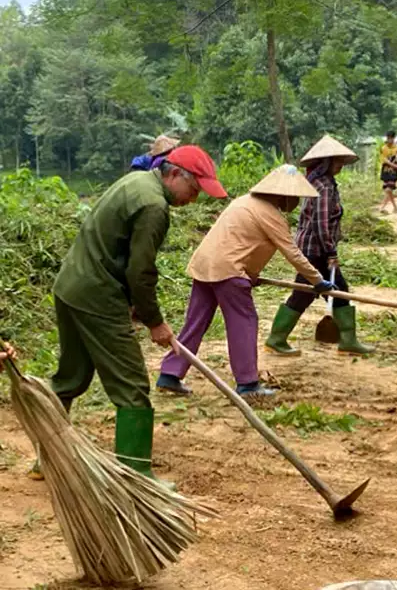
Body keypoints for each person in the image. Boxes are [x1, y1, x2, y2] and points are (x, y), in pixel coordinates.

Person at [37, 145, 227, 484]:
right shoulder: (154, 206)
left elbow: (120, 255)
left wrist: (137, 307)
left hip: (71, 286)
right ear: (173, 175)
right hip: (97, 295)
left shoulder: (135, 182)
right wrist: (155, 321)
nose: (193, 200)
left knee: (71, 377)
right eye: (194, 189)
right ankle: (135, 475)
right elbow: (141, 271)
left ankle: (46, 459)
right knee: (132, 386)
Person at [157, 165, 335, 398]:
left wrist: (250, 275)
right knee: (244, 322)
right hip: (228, 272)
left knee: (195, 323)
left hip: (205, 267)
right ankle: (248, 383)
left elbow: (238, 241)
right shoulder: (270, 214)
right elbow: (292, 253)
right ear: (283, 195)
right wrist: (318, 281)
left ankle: (170, 373)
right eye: (294, 197)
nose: (296, 202)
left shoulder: (243, 202)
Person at [265, 135, 375, 356]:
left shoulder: (319, 183)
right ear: (325, 163)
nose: (340, 166)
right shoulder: (323, 186)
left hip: (312, 250)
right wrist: (330, 252)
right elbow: (320, 223)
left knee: (315, 292)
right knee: (334, 291)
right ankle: (345, 341)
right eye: (337, 162)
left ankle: (279, 339)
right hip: (316, 251)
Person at [378, 130, 397, 214]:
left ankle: (382, 207)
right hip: (385, 171)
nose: (390, 140)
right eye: (388, 138)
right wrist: (395, 165)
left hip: (393, 173)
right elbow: (384, 160)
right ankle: (395, 208)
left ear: (394, 138)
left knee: (389, 190)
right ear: (387, 138)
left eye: (391, 138)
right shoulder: (383, 148)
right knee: (388, 190)